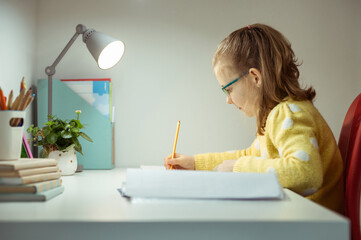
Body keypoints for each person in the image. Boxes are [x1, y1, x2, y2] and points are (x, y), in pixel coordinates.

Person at [164, 23, 344, 214]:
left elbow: (306, 173)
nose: (228, 100)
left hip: (315, 226)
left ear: (255, 77)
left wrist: (238, 168)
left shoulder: (289, 113)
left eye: (229, 89)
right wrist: (195, 163)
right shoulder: (277, 114)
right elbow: (248, 156)